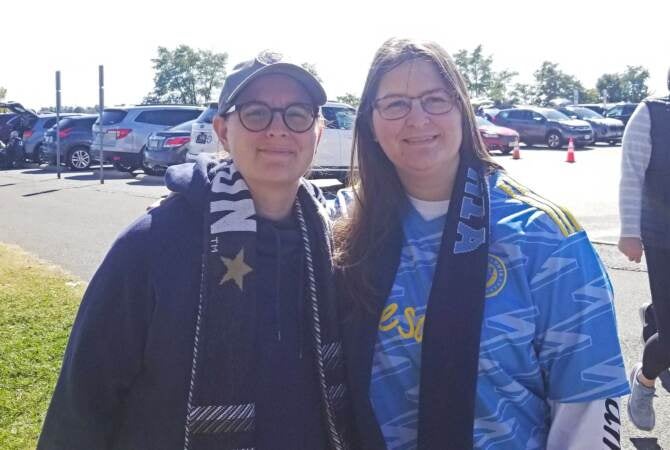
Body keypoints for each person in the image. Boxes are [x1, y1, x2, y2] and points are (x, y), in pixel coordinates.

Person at [38, 52, 353, 450]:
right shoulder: (150, 245)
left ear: (318, 131)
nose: (278, 130)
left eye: (298, 113)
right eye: (256, 114)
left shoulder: (333, 246)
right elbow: (80, 408)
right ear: (222, 131)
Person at [333, 38, 629, 450]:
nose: (417, 119)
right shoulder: (341, 224)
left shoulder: (543, 236)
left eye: (435, 100)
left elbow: (587, 408)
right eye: (396, 104)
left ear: (462, 109)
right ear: (370, 122)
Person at [619, 67, 670, 431]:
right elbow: (632, 175)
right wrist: (629, 232)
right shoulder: (651, 113)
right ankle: (644, 380)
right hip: (663, 236)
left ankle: (655, 313)